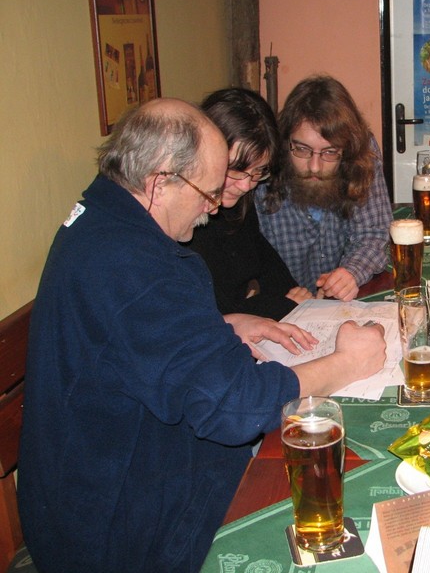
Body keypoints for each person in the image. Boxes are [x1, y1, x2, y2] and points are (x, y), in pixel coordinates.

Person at [17, 98, 387, 572]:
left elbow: (131, 339)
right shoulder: (137, 267)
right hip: (119, 532)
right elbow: (233, 408)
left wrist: (217, 325)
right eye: (209, 193)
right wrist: (346, 364)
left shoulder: (104, 218)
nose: (213, 210)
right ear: (160, 181)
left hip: (107, 482)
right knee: (333, 487)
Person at [255, 75, 393, 301]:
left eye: (329, 152)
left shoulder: (362, 155)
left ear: (347, 151)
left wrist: (350, 273)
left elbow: (374, 232)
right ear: (285, 141)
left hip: (339, 306)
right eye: (302, 149)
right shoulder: (260, 173)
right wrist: (279, 297)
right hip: (284, 306)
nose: (315, 166)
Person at [187, 87, 312, 320]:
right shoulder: (185, 219)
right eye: (235, 169)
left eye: (258, 171)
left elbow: (262, 256)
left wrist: (297, 298)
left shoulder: (237, 198)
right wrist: (285, 304)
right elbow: (218, 313)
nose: (246, 185)